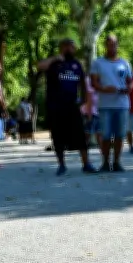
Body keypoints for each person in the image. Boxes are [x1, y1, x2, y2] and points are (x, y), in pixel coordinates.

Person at [39, 38, 98, 175]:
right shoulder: (54, 64)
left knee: (80, 135)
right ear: (61, 48)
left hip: (72, 106)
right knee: (57, 136)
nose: (68, 49)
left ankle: (86, 164)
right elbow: (40, 66)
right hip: (55, 106)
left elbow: (83, 83)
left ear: (74, 49)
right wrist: (55, 58)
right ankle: (62, 165)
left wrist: (84, 100)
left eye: (71, 47)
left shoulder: (77, 64)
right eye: (65, 46)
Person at [90, 34, 132, 172]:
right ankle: (105, 163)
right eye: (109, 44)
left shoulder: (125, 63)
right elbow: (93, 82)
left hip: (122, 104)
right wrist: (104, 89)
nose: (112, 46)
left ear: (117, 45)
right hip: (105, 105)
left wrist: (126, 90)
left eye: (114, 44)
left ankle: (117, 162)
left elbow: (130, 83)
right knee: (106, 135)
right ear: (105, 45)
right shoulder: (98, 63)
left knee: (120, 135)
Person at [82, 76, 101, 149]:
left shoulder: (102, 80)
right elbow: (89, 100)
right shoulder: (89, 80)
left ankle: (103, 152)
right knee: (88, 132)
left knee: (99, 132)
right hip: (90, 112)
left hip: (98, 112)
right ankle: (83, 147)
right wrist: (89, 114)